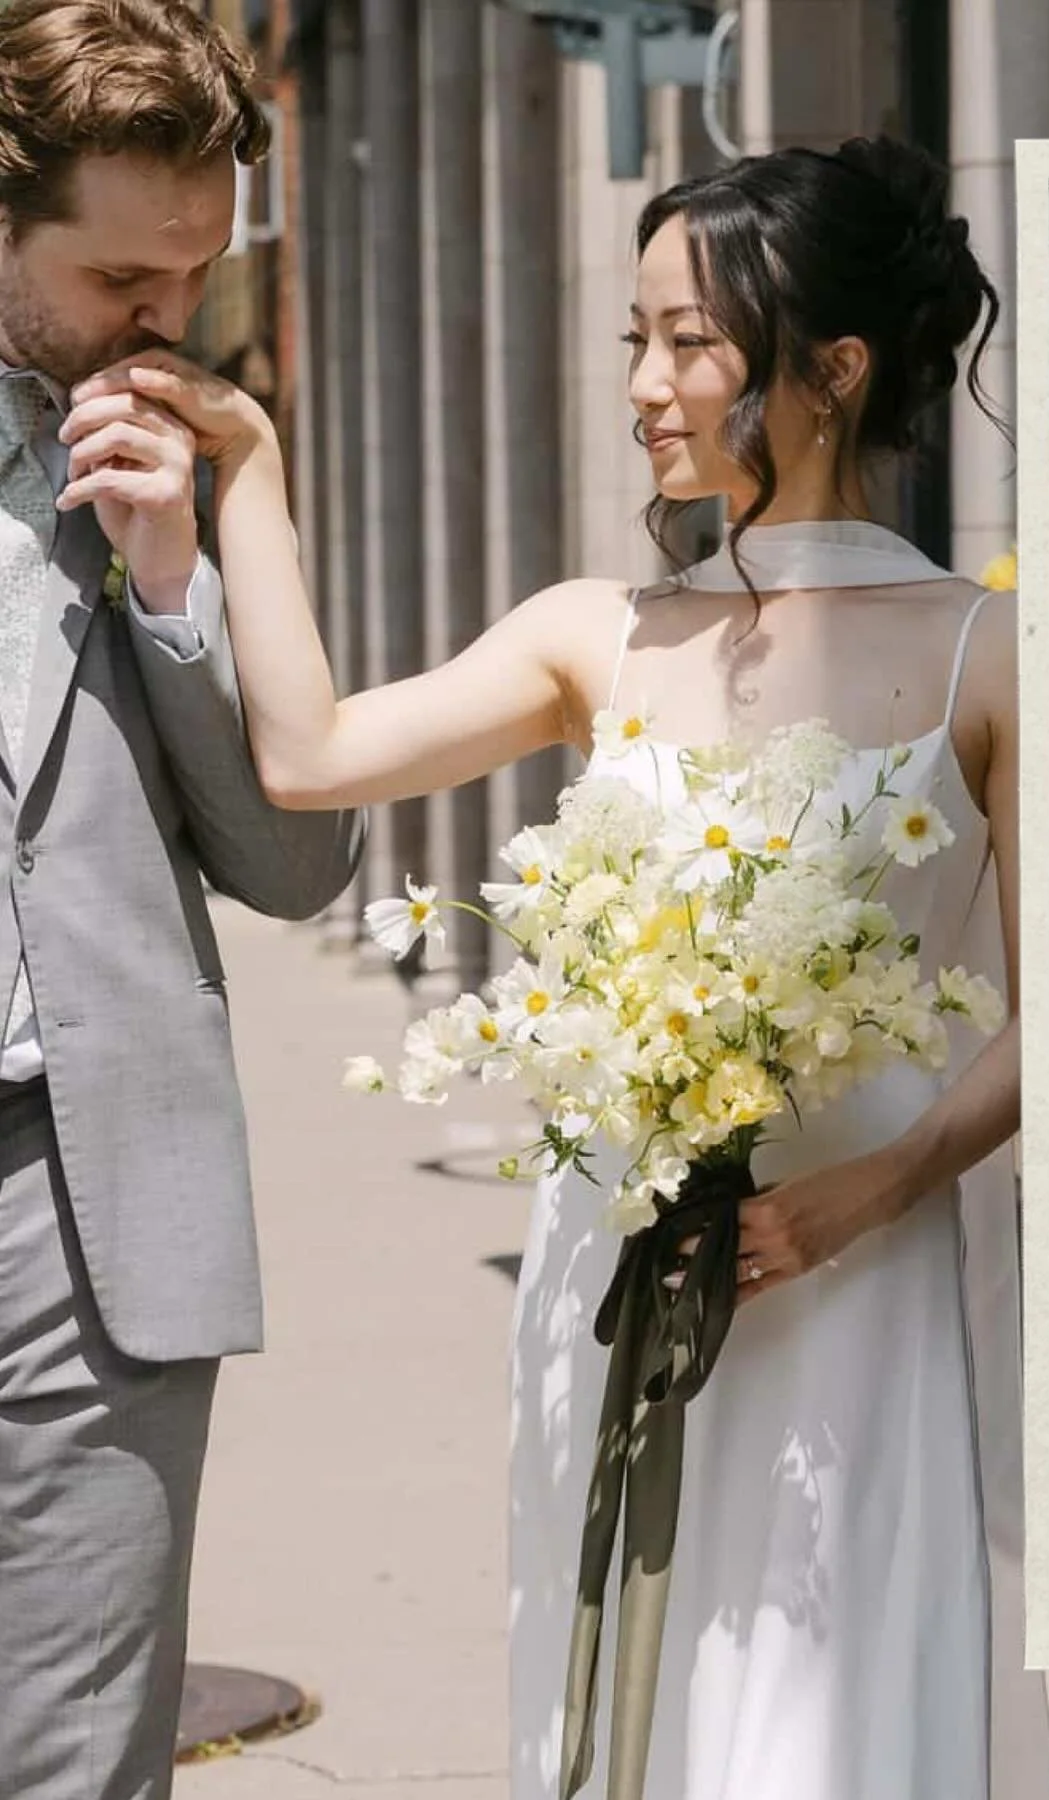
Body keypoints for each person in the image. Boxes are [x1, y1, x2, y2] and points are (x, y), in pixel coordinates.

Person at [67, 135, 1049, 1799]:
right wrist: (251, 478)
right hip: (616, 1250)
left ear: (834, 368)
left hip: (861, 1265)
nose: (646, 385)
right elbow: (308, 756)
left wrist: (871, 1190)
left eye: (690, 344)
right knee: (620, 1667)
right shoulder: (593, 631)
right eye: (633, 340)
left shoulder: (991, 647)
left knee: (837, 1684)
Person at [0, 3, 365, 1794]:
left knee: (75, 1757)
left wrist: (174, 580)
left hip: (86, 1210)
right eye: (121, 274)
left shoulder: (167, 473)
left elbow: (303, 866)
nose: (168, 320)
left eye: (198, 271)